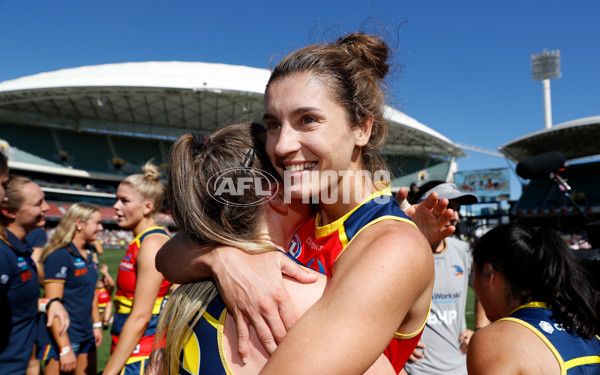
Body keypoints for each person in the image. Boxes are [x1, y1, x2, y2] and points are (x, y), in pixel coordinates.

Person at [157, 31, 438, 374]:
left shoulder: (391, 246)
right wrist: (223, 258)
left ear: (362, 129)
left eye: (308, 120)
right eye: (273, 125)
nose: (282, 145)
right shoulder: (301, 207)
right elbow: (167, 255)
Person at [153, 123, 399, 375]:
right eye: (298, 174)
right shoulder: (311, 298)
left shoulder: (184, 291)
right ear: (279, 197)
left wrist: (219, 256)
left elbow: (165, 258)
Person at [467, 223, 600, 374]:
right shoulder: (588, 332)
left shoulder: (493, 342)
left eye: (473, 273)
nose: (473, 283)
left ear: (488, 272)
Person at [402, 180, 488, 375]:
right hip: (416, 368)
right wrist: (394, 342)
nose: (455, 217)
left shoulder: (463, 251)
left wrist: (480, 329)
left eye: (457, 210)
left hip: (460, 364)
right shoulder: (402, 251)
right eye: (448, 208)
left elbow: (483, 288)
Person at [102, 162, 172, 375]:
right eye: (116, 199)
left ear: (147, 207)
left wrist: (109, 371)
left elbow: (141, 316)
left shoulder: (151, 244)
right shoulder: (141, 241)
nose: (115, 206)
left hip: (140, 354)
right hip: (129, 345)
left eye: (124, 201)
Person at [0, 171, 69, 374]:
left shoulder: (19, 249)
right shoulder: (3, 254)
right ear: (10, 212)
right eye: (38, 203)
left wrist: (49, 303)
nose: (47, 207)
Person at [38, 202, 104, 374]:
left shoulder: (91, 252)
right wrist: (65, 348)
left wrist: (97, 324)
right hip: (63, 336)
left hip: (86, 333)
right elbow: (53, 305)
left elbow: (92, 292)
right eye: (96, 223)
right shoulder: (59, 256)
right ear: (79, 224)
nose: (101, 227)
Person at [97, 263, 115, 330]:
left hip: (106, 315)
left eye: (102, 280)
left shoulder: (107, 291)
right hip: (98, 316)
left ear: (106, 283)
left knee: (109, 304)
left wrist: (106, 273)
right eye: (99, 280)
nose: (100, 281)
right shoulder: (94, 291)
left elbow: (112, 285)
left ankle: (106, 323)